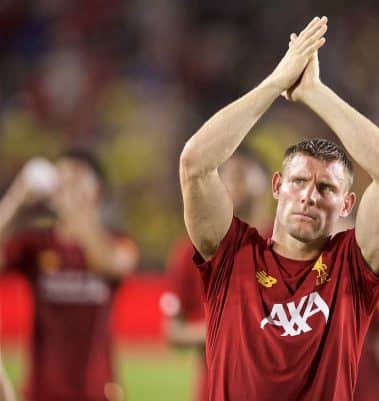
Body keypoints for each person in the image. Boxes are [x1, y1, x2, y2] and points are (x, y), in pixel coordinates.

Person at [179, 16, 379, 401]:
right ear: (277, 187)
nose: (309, 196)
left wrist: (314, 93)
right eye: (299, 182)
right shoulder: (233, 254)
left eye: (326, 187)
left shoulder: (352, 267)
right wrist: (275, 83)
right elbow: (194, 164)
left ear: (347, 203)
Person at [0, 150, 138, 401]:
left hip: (97, 391)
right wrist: (17, 196)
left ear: (98, 190)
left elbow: (112, 265)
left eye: (76, 178)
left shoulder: (118, 241)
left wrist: (73, 207)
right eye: (61, 178)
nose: (64, 185)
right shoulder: (37, 244)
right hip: (42, 392)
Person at [161, 152, 270, 401]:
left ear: (268, 184)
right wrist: (229, 326)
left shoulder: (292, 246)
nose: (231, 183)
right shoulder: (193, 251)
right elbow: (173, 332)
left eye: (240, 175)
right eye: (226, 176)